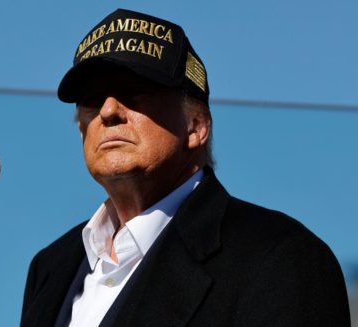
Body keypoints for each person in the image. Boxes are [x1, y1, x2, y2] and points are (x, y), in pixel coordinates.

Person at [21, 8, 350, 327]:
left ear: (196, 126)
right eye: (91, 98)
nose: (108, 111)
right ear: (81, 128)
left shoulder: (281, 259)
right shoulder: (51, 268)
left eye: (134, 92)